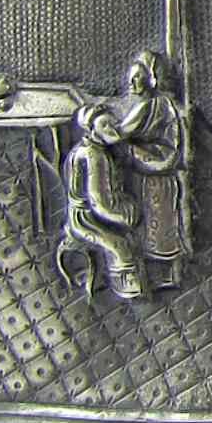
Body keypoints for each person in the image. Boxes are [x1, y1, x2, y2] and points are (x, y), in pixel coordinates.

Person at [117, 50, 192, 289]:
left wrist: (129, 149)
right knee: (162, 226)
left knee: (159, 227)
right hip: (157, 176)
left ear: (151, 79)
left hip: (156, 174)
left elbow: (121, 133)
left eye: (137, 77)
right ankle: (166, 275)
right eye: (130, 78)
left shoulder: (153, 106)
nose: (131, 83)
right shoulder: (157, 105)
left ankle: (166, 276)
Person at [57, 104, 143, 300]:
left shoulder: (91, 149)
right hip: (86, 220)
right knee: (120, 245)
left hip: (90, 214)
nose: (111, 129)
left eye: (113, 123)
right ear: (92, 129)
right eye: (105, 125)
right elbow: (99, 204)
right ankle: (129, 293)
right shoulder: (93, 155)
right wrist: (125, 216)